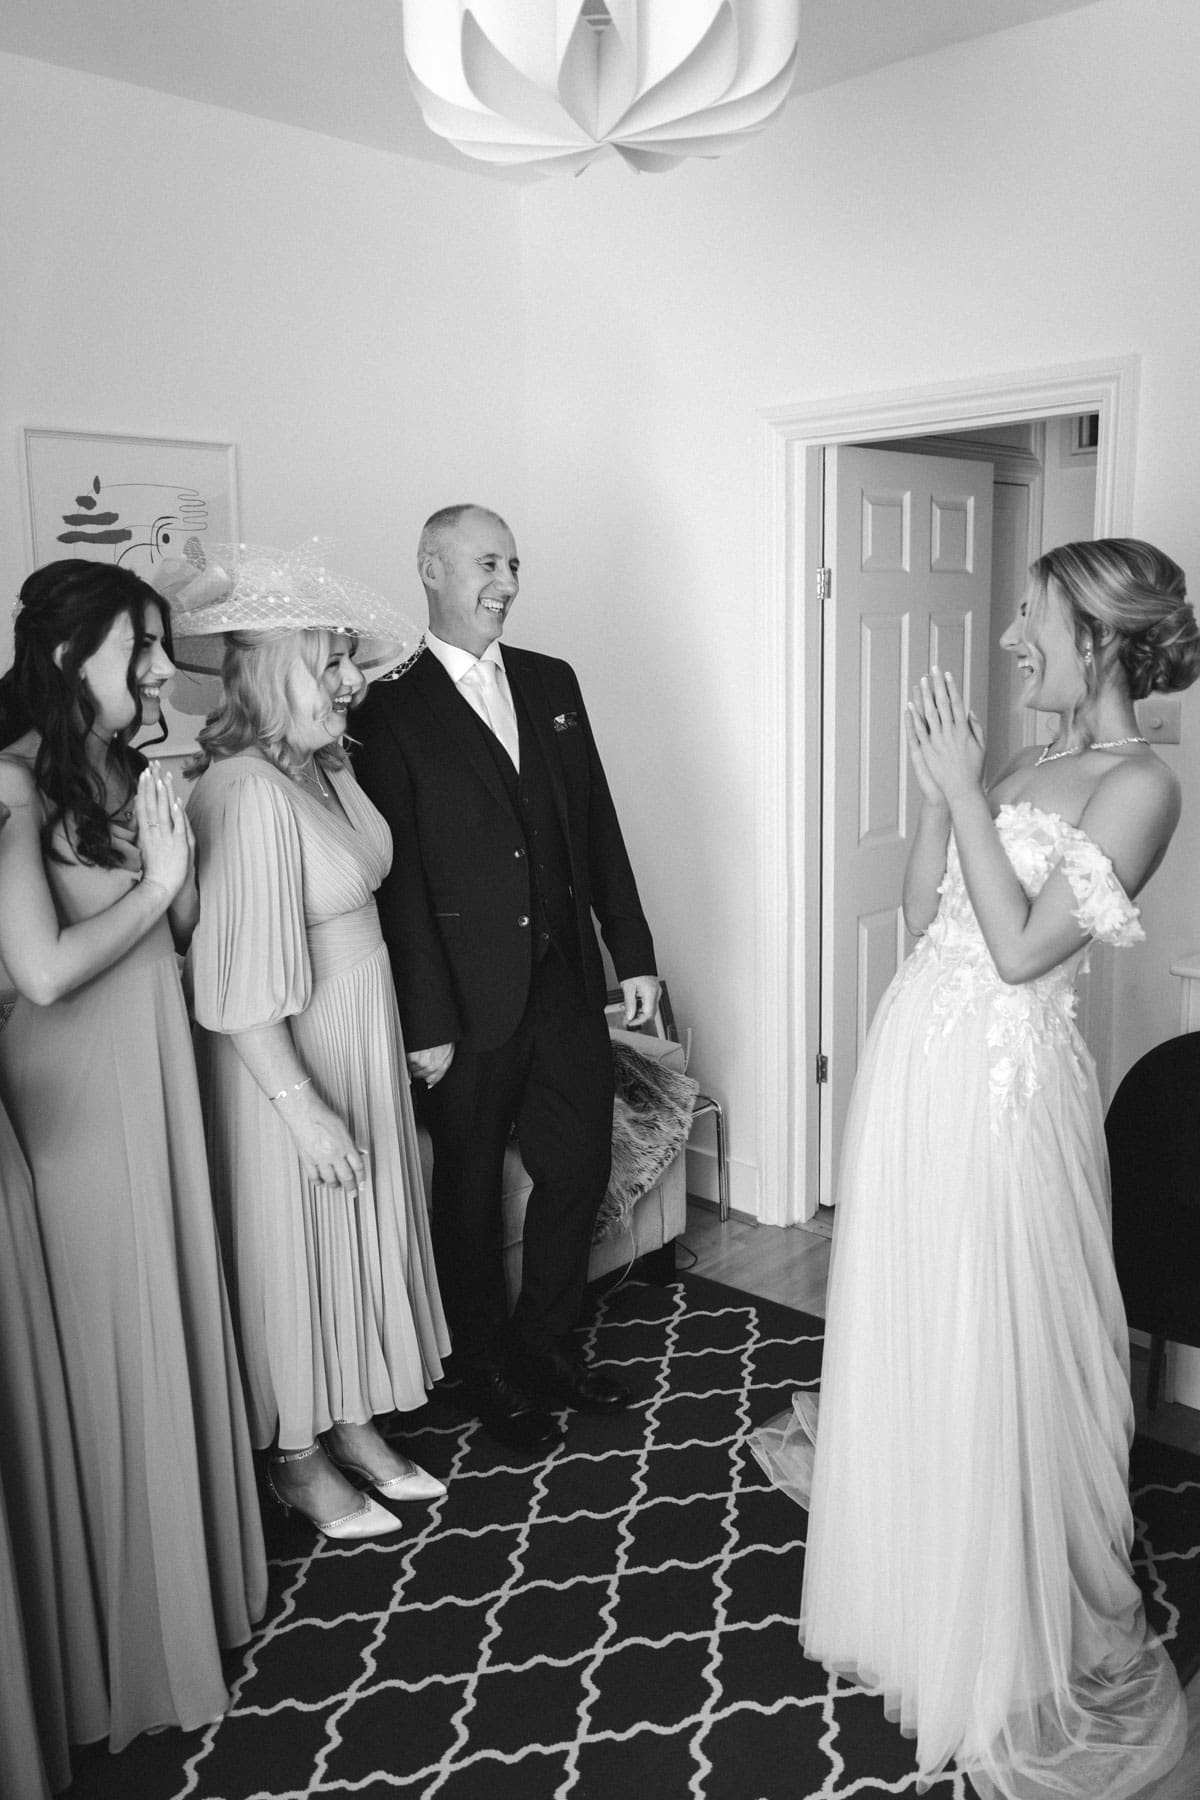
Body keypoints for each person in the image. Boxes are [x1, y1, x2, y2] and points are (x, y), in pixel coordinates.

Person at [753, 538, 1199, 1800]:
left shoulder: (1139, 781)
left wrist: (962, 793)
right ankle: (913, 1587)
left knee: (996, 1327)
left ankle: (996, 1625)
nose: (1011, 639)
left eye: (1031, 618)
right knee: (918, 1319)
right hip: (919, 1065)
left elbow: (1019, 952)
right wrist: (937, 791)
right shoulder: (1030, 761)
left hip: (1010, 1092)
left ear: (1100, 636)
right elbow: (927, 912)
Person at [0, 559, 267, 1752]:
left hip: (158, 1071)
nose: (163, 670)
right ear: (68, 661)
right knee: (122, 1342)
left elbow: (181, 929)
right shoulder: (10, 789)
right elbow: (42, 969)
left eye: (164, 647)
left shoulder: (121, 763)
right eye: (141, 650)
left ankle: (192, 1596)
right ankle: (133, 1638)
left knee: (174, 1311)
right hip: (81, 1097)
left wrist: (184, 871)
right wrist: (158, 881)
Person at [354, 504, 660, 1451]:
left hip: (566, 982)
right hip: (464, 1000)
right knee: (471, 1189)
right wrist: (425, 1018)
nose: (508, 582)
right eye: (488, 563)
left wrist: (634, 953)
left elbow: (597, 824)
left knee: (579, 1163)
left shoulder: (551, 681)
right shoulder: (385, 706)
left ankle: (548, 1344)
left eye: (515, 564)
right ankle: (483, 1365)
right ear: (431, 568)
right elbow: (396, 879)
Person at [177, 543, 450, 1541]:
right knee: (301, 1244)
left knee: (352, 1237)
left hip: (358, 1034)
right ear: (269, 668)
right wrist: (302, 1110)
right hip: (295, 1057)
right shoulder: (244, 790)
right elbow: (239, 989)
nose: (352, 681)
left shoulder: (324, 767)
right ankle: (296, 1454)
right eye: (330, 661)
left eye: (350, 659)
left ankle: (353, 1420)